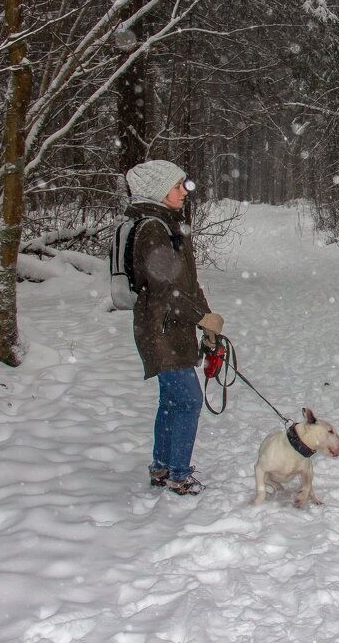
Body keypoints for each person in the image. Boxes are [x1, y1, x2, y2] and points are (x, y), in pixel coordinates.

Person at [124, 159, 223, 495]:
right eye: (178, 185)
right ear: (157, 189)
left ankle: (162, 467)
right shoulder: (153, 227)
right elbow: (166, 290)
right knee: (188, 401)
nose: (185, 191)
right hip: (160, 329)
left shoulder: (170, 224)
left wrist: (207, 321)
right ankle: (178, 474)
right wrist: (200, 318)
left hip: (173, 327)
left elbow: (188, 285)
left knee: (172, 401)